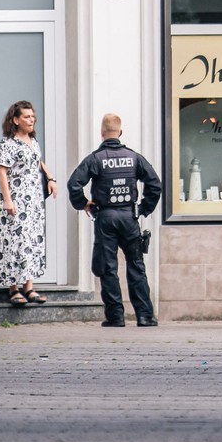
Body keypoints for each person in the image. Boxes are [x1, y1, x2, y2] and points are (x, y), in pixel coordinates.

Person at [67, 113, 164, 328]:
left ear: (102, 133)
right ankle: (145, 316)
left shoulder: (95, 159)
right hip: (129, 217)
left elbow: (74, 184)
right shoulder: (134, 157)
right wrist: (143, 209)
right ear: (120, 132)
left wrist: (84, 204)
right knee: (136, 265)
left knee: (108, 267)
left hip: (106, 218)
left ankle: (115, 317)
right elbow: (155, 184)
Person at [0, 99, 56, 307]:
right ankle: (13, 289)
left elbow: (37, 160)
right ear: (16, 120)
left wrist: (50, 178)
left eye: (32, 116)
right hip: (16, 200)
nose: (31, 120)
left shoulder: (33, 141)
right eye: (27, 117)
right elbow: (2, 171)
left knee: (31, 242)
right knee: (13, 242)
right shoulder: (8, 144)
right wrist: (7, 200)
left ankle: (29, 287)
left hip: (34, 202)